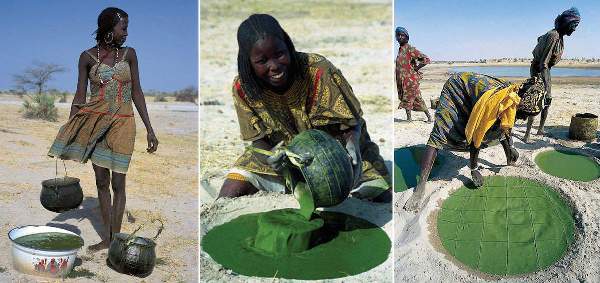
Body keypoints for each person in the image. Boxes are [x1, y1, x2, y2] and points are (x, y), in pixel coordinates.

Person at [218, 14, 390, 202]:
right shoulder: (243, 89)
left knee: (380, 194)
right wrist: (271, 158)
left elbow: (352, 123)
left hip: (337, 155)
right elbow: (258, 141)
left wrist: (351, 143)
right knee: (230, 193)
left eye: (279, 54)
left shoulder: (318, 71)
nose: (274, 66)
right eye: (262, 61)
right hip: (284, 161)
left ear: (288, 46)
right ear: (248, 62)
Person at [48, 7, 159, 251]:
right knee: (101, 182)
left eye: (127, 27)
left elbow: (137, 92)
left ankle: (116, 239)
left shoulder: (130, 54)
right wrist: (70, 128)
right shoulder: (87, 57)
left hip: (123, 122)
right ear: (109, 29)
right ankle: (107, 239)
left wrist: (150, 128)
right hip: (95, 122)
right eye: (123, 27)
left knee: (119, 183)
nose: (127, 33)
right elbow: (80, 93)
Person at [404, 72, 546, 212]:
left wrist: (511, 148)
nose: (525, 120)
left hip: (475, 95)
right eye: (526, 115)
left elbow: (506, 124)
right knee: (441, 132)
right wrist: (474, 169)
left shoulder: (514, 97)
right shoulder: (495, 104)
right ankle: (420, 186)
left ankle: (509, 156)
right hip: (457, 88)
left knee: (496, 128)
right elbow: (476, 136)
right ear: (519, 104)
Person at [524, 7, 580, 142]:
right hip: (540, 70)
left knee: (547, 102)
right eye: (574, 25)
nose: (574, 29)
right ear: (568, 23)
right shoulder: (554, 36)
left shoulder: (558, 36)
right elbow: (543, 63)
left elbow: (539, 39)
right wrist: (545, 86)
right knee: (537, 100)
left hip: (545, 70)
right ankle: (527, 135)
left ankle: (540, 129)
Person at [395, 26, 432, 123]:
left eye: (402, 35)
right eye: (398, 35)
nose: (399, 37)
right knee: (406, 97)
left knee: (417, 98)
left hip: (411, 80)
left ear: (406, 36)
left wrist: (416, 68)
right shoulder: (400, 49)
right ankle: (409, 118)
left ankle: (429, 117)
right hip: (403, 81)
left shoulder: (410, 49)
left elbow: (426, 59)